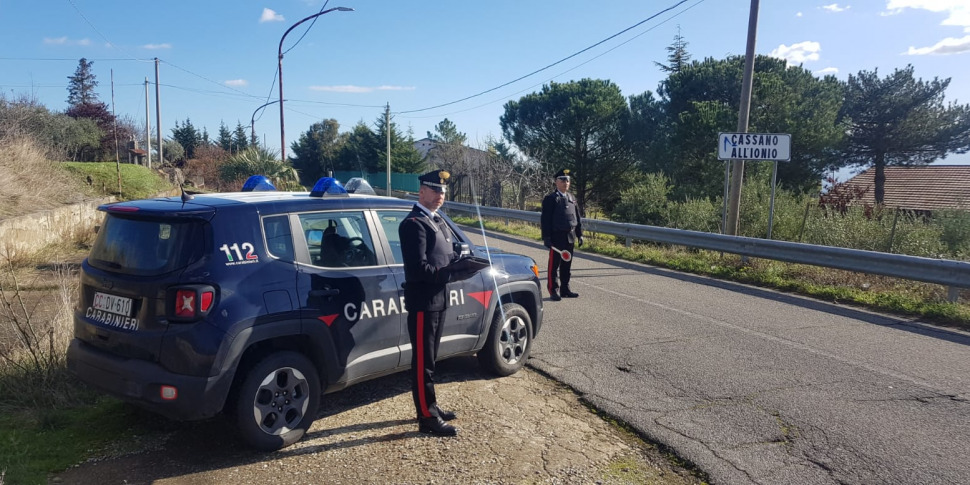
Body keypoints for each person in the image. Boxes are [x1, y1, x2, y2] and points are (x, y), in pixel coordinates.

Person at [398, 169, 479, 436]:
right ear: (421, 191)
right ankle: (426, 417)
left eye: (443, 191)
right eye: (435, 190)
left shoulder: (437, 221)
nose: (440, 195)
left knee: (431, 359)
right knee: (423, 362)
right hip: (424, 301)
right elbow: (419, 269)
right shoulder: (413, 224)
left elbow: (445, 255)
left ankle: (430, 405)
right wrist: (453, 272)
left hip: (439, 299)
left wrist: (463, 263)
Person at [541, 168, 583, 301]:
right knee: (554, 266)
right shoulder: (551, 199)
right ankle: (553, 290)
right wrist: (546, 237)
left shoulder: (572, 198)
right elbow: (545, 220)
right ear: (556, 182)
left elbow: (577, 217)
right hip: (556, 237)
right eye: (563, 180)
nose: (566, 183)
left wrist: (579, 234)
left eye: (568, 180)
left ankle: (565, 289)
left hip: (570, 237)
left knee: (567, 265)